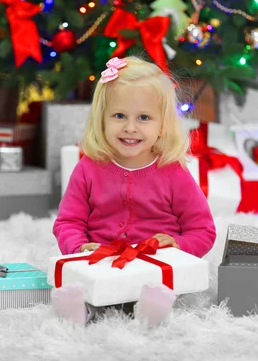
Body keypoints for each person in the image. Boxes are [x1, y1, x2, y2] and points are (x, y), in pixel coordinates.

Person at [52, 56, 216, 326]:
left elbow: (203, 230)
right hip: (101, 262)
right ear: (101, 119)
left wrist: (177, 245)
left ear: (162, 124)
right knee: (92, 290)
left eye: (143, 117)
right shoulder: (88, 168)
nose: (130, 127)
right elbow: (68, 222)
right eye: (119, 116)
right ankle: (80, 313)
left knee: (155, 288)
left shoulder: (174, 172)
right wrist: (79, 247)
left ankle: (150, 312)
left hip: (155, 263)